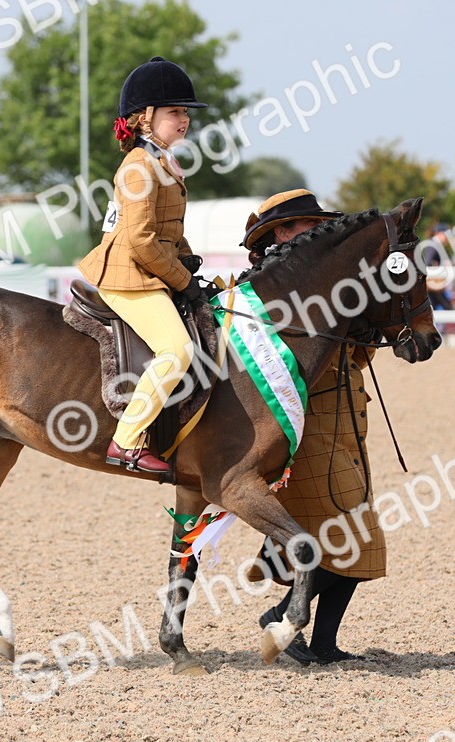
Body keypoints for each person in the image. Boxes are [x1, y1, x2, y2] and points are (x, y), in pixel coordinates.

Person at [240, 190, 387, 664]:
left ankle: (322, 642)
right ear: (280, 233)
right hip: (307, 429)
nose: (318, 234)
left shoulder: (327, 287)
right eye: (306, 226)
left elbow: (352, 354)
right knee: (354, 542)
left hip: (347, 427)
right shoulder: (259, 295)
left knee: (355, 545)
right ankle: (283, 619)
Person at [78, 57, 207, 474]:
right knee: (177, 350)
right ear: (146, 118)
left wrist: (188, 258)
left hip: (151, 268)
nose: (183, 121)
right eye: (175, 112)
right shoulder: (138, 167)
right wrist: (182, 279)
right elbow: (139, 240)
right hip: (129, 276)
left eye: (185, 113)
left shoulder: (163, 161)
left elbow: (167, 230)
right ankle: (127, 441)